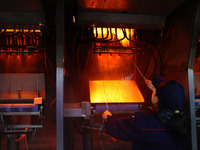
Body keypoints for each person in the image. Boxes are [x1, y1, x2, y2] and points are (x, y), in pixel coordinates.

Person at [102, 76, 189, 150]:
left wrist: (108, 119)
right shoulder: (182, 120)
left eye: (155, 92)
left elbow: (120, 128)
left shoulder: (144, 121)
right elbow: (171, 96)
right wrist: (155, 89)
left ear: (156, 99)